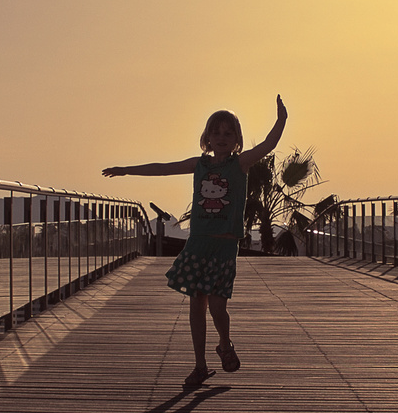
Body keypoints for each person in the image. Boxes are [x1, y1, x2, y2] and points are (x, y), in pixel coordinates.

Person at [103, 96, 287, 391]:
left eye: (229, 133)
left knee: (217, 307)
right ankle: (200, 365)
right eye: (216, 133)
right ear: (207, 138)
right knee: (196, 305)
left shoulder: (239, 164)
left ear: (237, 139)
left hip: (224, 246)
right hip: (198, 245)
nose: (222, 138)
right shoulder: (199, 164)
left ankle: (225, 344)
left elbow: (267, 146)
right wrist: (127, 169)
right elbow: (163, 168)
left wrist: (281, 120)